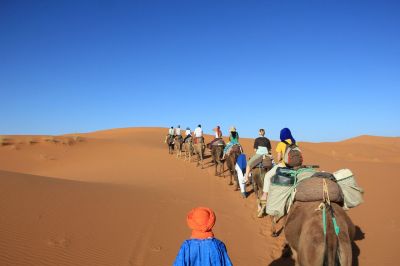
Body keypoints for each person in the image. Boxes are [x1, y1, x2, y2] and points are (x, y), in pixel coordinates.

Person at [257, 128, 297, 217]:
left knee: (267, 176)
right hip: (294, 167)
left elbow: (278, 159)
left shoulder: (281, 144)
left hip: (283, 166)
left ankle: (265, 196)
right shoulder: (295, 143)